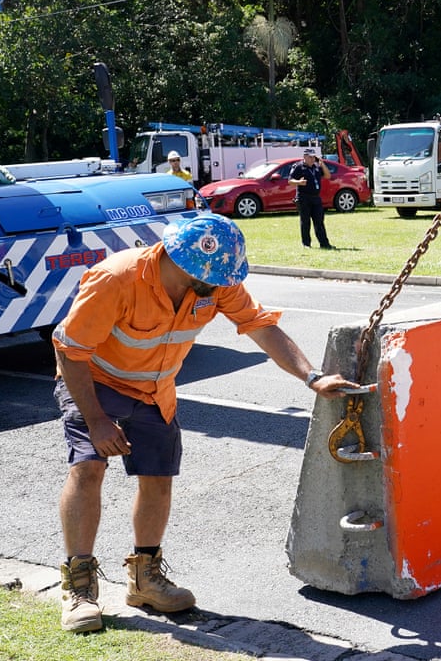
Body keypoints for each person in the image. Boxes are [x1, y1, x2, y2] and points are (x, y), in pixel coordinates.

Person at [51, 213, 354, 633]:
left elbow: (262, 329)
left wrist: (312, 377)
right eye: (210, 277)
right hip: (96, 382)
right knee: (88, 468)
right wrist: (97, 420)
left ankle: (144, 578)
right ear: (177, 259)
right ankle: (79, 587)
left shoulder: (215, 281)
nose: (219, 285)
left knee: (157, 478)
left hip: (156, 390)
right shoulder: (116, 279)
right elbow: (70, 350)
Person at [289, 148, 334, 249]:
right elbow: (290, 181)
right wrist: (299, 182)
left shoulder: (316, 167)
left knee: (319, 221)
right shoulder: (298, 167)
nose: (312, 159)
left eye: (313, 157)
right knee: (305, 222)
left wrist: (323, 165)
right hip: (303, 197)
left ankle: (324, 243)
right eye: (310, 157)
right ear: (304, 157)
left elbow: (328, 176)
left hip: (316, 198)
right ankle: (306, 244)